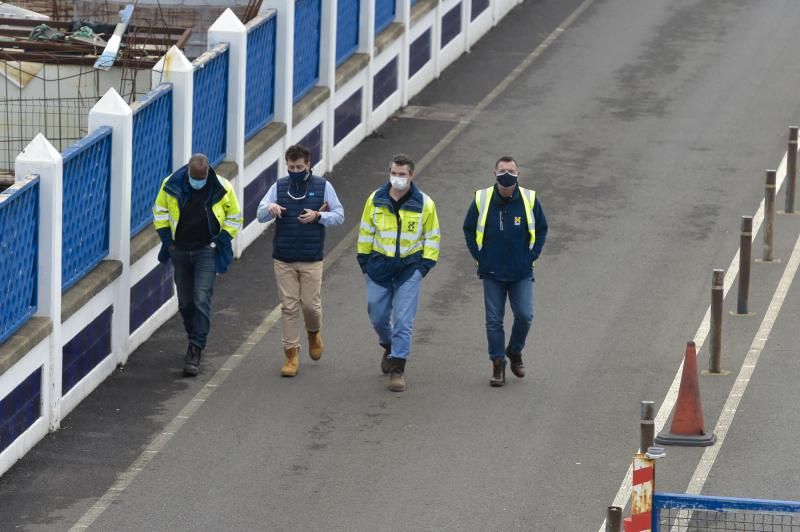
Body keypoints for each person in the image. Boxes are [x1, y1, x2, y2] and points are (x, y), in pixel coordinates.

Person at [257, 144, 345, 377]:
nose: (294, 170)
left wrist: (318, 216)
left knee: (310, 305)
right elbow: (259, 214)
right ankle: (291, 355)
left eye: (299, 166)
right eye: (290, 167)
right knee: (289, 306)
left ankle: (313, 333)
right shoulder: (278, 187)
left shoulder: (323, 186)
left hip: (311, 258)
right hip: (283, 257)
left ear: (308, 164)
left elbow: (339, 215)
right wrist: (270, 208)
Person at [153, 153, 242, 376]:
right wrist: (169, 243)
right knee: (185, 303)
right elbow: (160, 213)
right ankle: (195, 334)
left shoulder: (221, 187)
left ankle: (195, 347)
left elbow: (234, 217)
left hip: (206, 252)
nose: (198, 182)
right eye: (194, 178)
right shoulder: (171, 184)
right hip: (180, 250)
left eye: (201, 179)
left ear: (208, 173)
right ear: (188, 173)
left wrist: (219, 242)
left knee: (201, 297)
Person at [357, 154, 440, 392]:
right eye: (394, 173)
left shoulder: (425, 204)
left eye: (402, 174)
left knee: (404, 321)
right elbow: (365, 231)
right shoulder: (375, 199)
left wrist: (423, 267)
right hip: (378, 268)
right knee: (378, 316)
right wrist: (364, 263)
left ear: (411, 176)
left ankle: (397, 368)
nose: (397, 178)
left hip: (409, 270)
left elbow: (432, 237)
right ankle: (389, 345)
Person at [462, 156, 547, 387]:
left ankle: (515, 351)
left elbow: (541, 229)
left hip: (521, 272)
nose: (506, 174)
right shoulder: (482, 199)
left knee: (525, 315)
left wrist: (532, 255)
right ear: (494, 174)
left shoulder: (529, 200)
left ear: (518, 174)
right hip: (492, 272)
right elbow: (469, 228)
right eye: (502, 170)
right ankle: (498, 364)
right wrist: (480, 256)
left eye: (511, 170)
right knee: (493, 320)